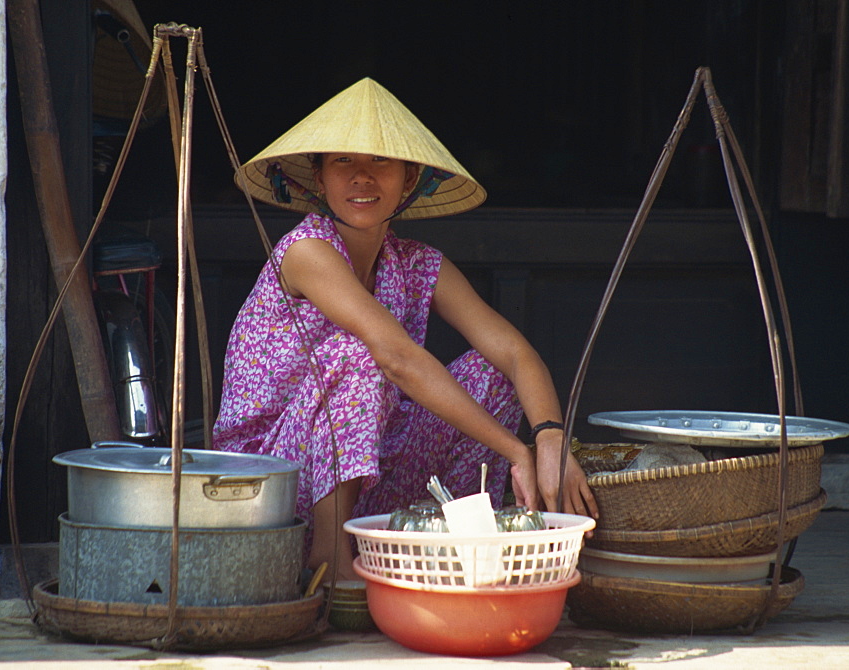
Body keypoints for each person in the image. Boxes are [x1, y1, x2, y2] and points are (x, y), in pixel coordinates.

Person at [214, 78, 597, 580]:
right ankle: (331, 568)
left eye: (382, 162)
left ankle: (453, 550)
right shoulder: (307, 251)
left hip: (367, 469)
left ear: (409, 178)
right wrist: (515, 448)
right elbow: (392, 355)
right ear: (320, 177)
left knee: (491, 376)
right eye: (344, 162)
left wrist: (549, 436)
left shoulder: (417, 264)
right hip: (269, 482)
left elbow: (514, 354)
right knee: (356, 355)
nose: (362, 178)